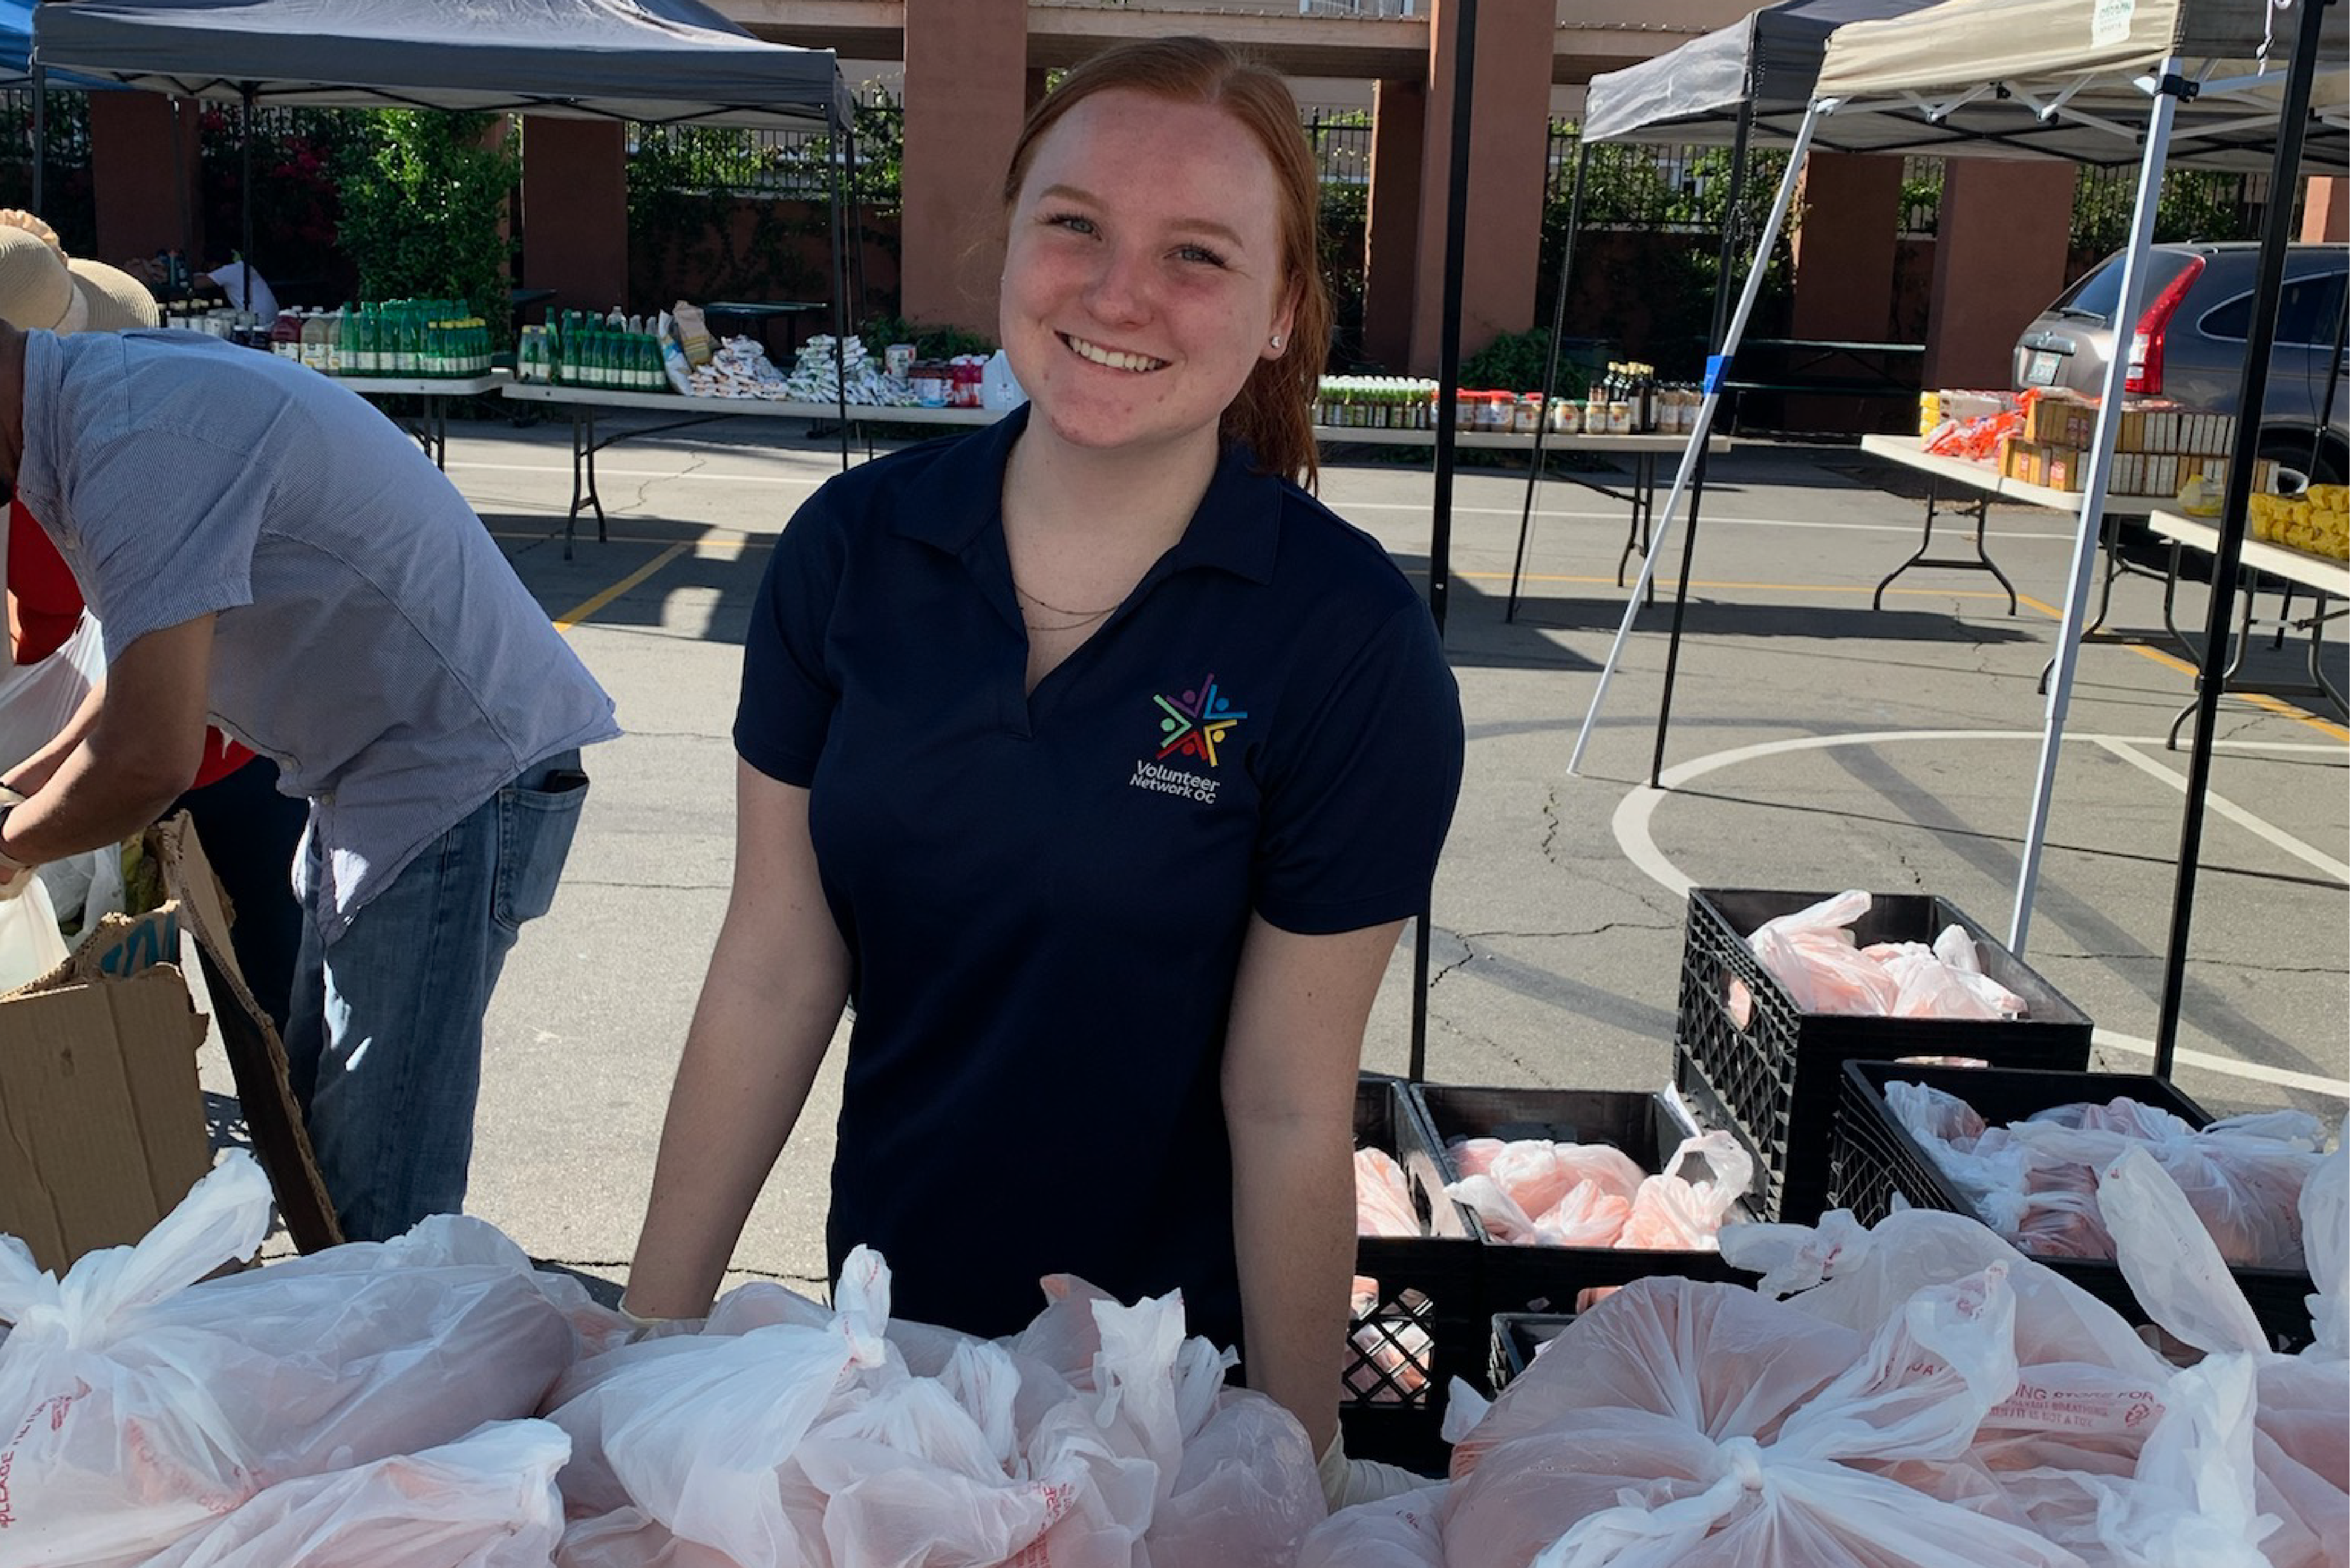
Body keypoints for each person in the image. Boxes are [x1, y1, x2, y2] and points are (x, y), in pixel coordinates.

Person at [623, 36, 1463, 1509]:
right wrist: (646, 1333)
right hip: (890, 1353)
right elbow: (775, 958)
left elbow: (1285, 1095)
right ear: (1005, 243)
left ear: (1279, 314)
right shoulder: (852, 553)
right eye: (1073, 223)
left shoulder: (1344, 642)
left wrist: (1293, 1462)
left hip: (1172, 1398)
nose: (1118, 291)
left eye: (1195, 254)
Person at [0, 278, 618, 1244]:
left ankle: (395, 1374)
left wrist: (11, 845)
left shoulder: (131, 443)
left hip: (450, 777)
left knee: (374, 1204)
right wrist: (22, 794)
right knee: (318, 1146)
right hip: (381, 778)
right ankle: (362, 1357)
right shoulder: (96, 411)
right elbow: (149, 681)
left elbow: (149, 761)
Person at [0, 217, 310, 1029]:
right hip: (213, 745)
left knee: (219, 977)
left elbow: (134, 718)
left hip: (194, 746)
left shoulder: (96, 458)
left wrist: (20, 828)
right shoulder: (116, 429)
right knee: (256, 976)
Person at [201, 258, 280, 328]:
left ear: (214, 263)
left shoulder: (227, 271)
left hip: (257, 320)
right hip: (273, 318)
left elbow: (195, 284)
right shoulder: (243, 267)